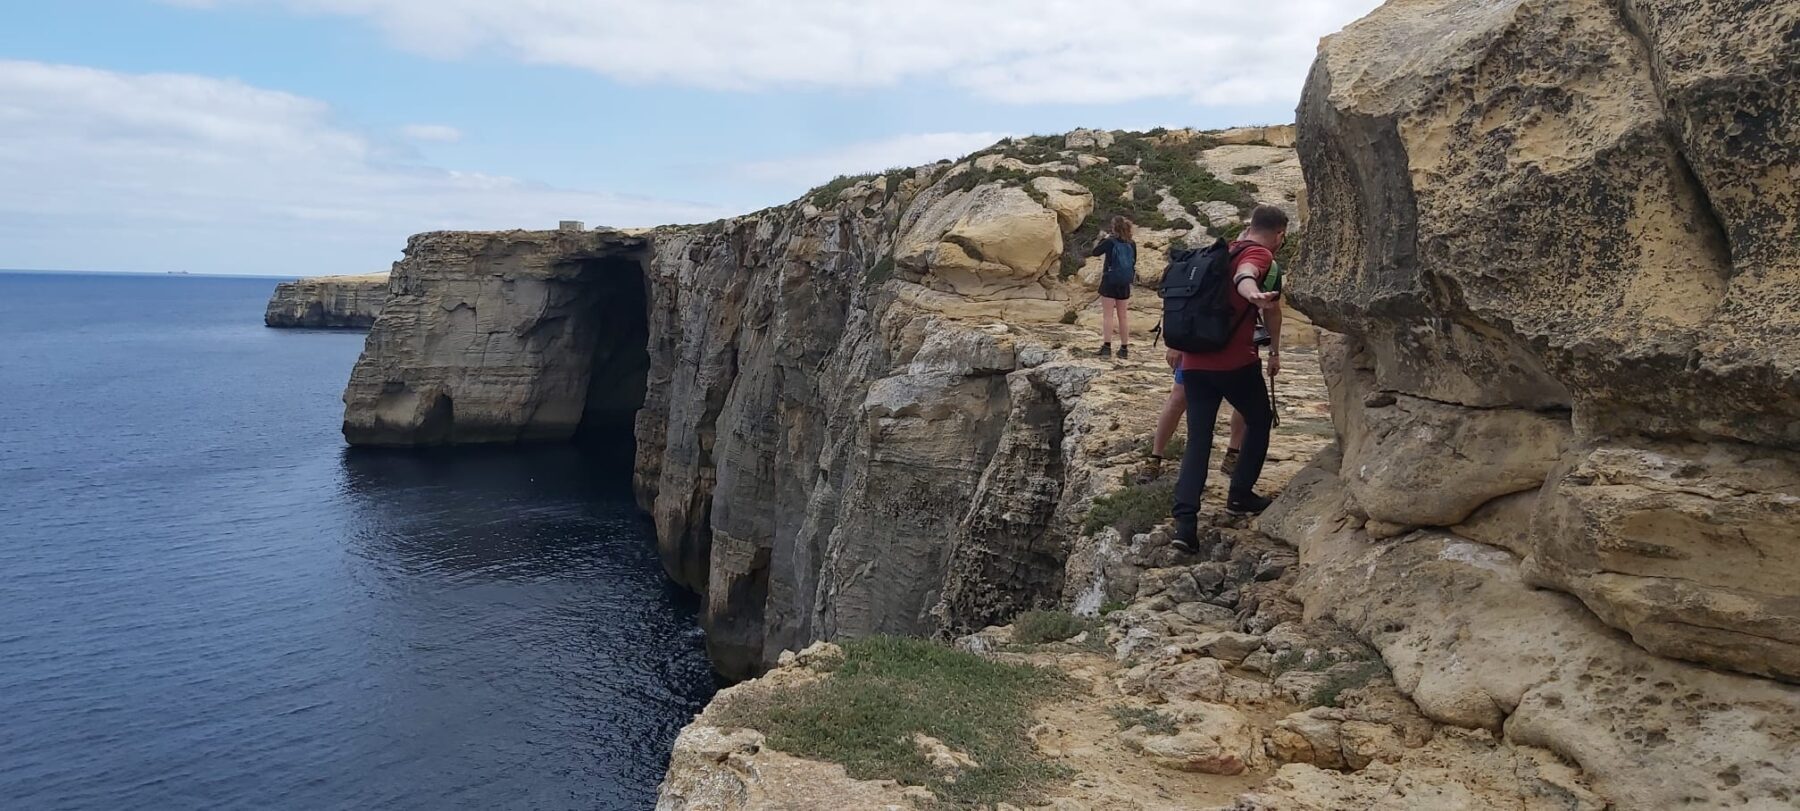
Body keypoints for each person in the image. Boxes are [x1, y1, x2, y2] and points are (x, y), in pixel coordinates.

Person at [1169, 205, 1287, 553]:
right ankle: (1239, 495)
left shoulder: (1220, 251)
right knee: (1260, 418)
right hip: (1234, 362)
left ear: (1250, 224)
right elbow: (1248, 275)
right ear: (1280, 234)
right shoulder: (1258, 253)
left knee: (1198, 439)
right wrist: (1253, 296)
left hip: (1193, 363)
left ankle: (1185, 526)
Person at [1090, 216, 1137, 359]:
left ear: (1114, 227)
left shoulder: (1110, 241)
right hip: (1124, 282)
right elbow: (1134, 261)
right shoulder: (1132, 243)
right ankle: (1124, 348)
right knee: (1123, 316)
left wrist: (1102, 238)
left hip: (1110, 281)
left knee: (1108, 315)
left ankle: (1107, 346)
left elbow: (1095, 252)